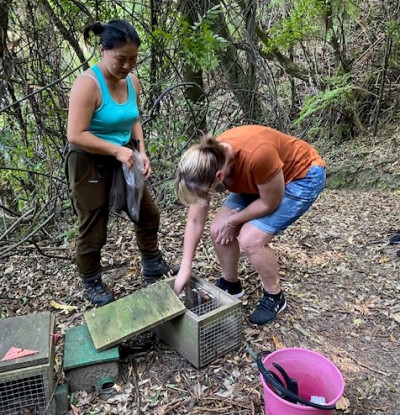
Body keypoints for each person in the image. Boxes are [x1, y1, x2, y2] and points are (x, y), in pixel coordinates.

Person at [66, 19, 176, 307]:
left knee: (147, 212)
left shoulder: (132, 81)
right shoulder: (88, 85)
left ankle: (152, 263)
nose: (127, 66)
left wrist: (141, 150)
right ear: (102, 50)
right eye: (120, 59)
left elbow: (134, 118)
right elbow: (76, 135)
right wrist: (116, 151)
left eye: (133, 59)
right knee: (94, 223)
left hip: (125, 153)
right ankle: (92, 281)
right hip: (89, 159)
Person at [174, 125, 326, 325]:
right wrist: (186, 266)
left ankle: (275, 296)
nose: (206, 197)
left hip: (302, 176)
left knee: (250, 239)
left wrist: (233, 220)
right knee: (217, 229)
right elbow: (194, 220)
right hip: (261, 180)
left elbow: (270, 202)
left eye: (206, 193)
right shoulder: (209, 161)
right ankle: (231, 285)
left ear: (219, 177)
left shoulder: (257, 155)